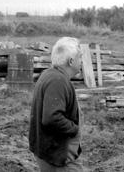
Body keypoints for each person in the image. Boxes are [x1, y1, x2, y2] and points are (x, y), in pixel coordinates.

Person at [29, 37, 84, 172]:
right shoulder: (58, 81)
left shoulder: (49, 75)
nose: (82, 62)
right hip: (58, 155)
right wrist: (74, 129)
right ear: (71, 61)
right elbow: (51, 118)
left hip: (47, 150)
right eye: (80, 58)